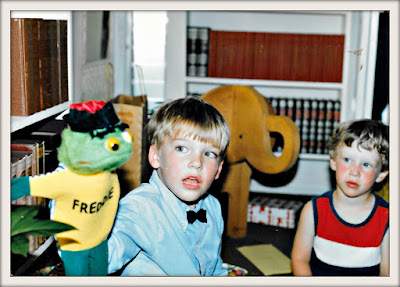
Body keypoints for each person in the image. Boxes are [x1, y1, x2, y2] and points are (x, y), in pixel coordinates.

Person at [107, 96, 230, 276]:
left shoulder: (213, 207)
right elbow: (104, 258)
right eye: (181, 148)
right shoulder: (140, 208)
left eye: (209, 153)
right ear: (156, 156)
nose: (196, 163)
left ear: (218, 169)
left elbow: (214, 268)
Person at [291, 119, 389, 276]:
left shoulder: (387, 218)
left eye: (366, 165)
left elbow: (387, 274)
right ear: (333, 162)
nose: (354, 172)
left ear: (381, 174)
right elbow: (299, 259)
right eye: (347, 160)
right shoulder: (313, 210)